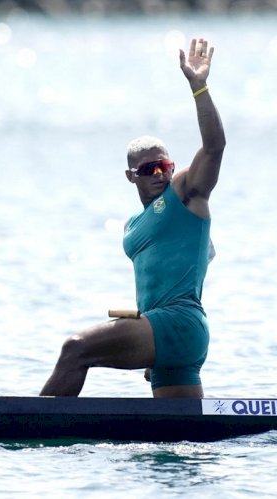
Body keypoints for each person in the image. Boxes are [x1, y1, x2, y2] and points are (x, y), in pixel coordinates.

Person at [40, 37, 225, 398]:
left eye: (165, 166)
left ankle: (23, 435)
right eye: (149, 168)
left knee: (75, 349)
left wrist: (198, 87)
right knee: (180, 441)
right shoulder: (133, 225)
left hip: (178, 323)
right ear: (131, 176)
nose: (159, 174)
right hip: (162, 335)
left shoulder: (186, 193)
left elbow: (215, 147)